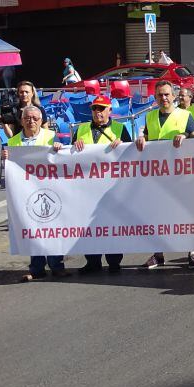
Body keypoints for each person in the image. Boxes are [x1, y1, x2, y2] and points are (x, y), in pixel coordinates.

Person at [137, 81, 194, 269]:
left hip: (181, 174)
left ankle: (191, 251)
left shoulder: (185, 115)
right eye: (159, 95)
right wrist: (143, 138)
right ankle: (158, 253)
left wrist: (186, 136)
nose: (163, 98)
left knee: (184, 214)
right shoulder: (150, 117)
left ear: (174, 96)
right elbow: (148, 138)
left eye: (166, 94)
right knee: (157, 214)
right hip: (158, 176)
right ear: (155, 98)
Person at [8, 106, 66, 282]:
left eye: (34, 118)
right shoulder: (13, 142)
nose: (30, 121)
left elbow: (63, 158)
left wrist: (60, 147)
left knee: (53, 230)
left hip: (51, 189)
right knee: (33, 230)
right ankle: (37, 268)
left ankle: (57, 266)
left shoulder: (50, 137)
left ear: (41, 120)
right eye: (27, 118)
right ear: (21, 120)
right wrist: (6, 157)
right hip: (28, 193)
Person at [74, 96, 131, 274]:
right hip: (88, 186)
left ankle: (114, 261)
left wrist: (122, 145)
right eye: (95, 109)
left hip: (111, 186)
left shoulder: (120, 128)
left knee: (112, 224)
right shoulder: (81, 129)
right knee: (89, 226)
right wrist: (74, 144)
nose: (97, 112)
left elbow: (131, 154)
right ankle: (93, 261)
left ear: (109, 110)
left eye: (101, 108)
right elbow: (69, 157)